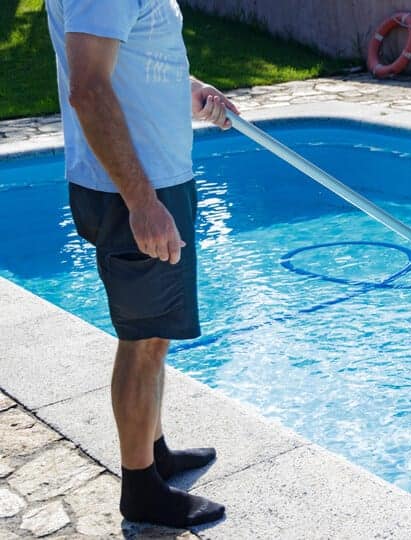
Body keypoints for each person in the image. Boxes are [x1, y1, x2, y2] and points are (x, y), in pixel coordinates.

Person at [46, 0, 239, 528]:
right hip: (132, 191)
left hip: (154, 182)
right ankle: (141, 491)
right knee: (142, 340)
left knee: (154, 335)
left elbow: (141, 63)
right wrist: (141, 203)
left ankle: (152, 454)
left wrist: (192, 92)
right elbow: (88, 87)